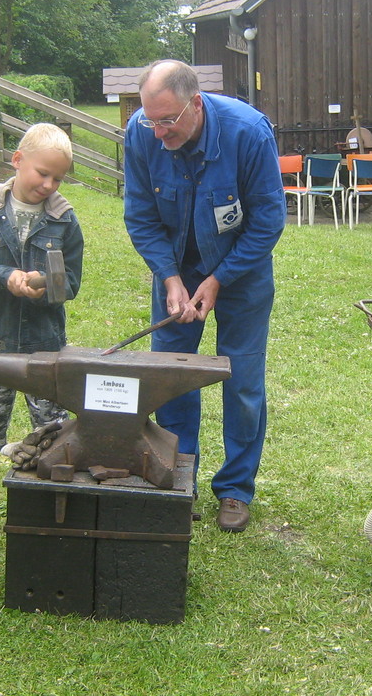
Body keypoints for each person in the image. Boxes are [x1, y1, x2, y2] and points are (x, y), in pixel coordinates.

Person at [123, 60, 286, 533]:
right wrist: (171, 279)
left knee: (242, 380)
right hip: (176, 268)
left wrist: (218, 280)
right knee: (172, 377)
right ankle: (180, 478)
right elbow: (140, 214)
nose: (158, 134)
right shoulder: (142, 131)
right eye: (151, 121)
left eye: (167, 121)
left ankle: (235, 489)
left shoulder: (248, 133)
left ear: (195, 103)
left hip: (242, 272)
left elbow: (267, 221)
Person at [0, 123, 83, 521]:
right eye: (43, 174)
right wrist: (3, 278)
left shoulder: (64, 220)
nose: (49, 185)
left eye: (57, 178)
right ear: (18, 160)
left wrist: (48, 284)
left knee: (53, 423)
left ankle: (55, 491)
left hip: (45, 341)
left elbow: (71, 281)